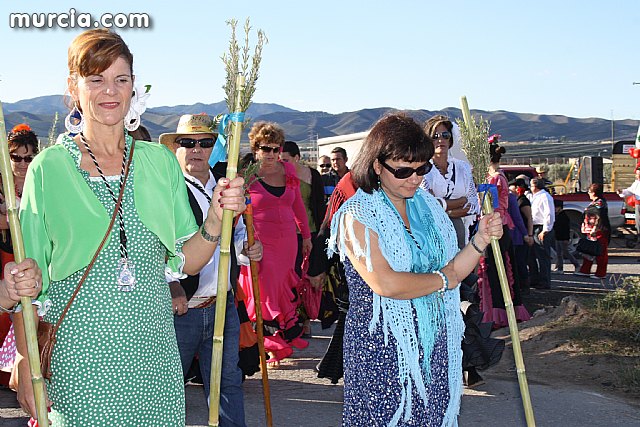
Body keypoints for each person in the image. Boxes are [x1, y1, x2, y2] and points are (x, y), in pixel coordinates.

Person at [14, 29, 247, 425]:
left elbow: (187, 262)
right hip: (81, 359)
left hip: (154, 355)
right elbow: (29, 283)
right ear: (73, 87)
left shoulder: (159, 161)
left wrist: (214, 218)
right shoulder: (48, 169)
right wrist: (26, 361)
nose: (110, 91)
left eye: (120, 79)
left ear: (133, 86)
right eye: (96, 79)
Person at [328, 113, 503, 425]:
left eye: (422, 168)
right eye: (403, 170)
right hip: (384, 350)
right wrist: (443, 279)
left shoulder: (429, 206)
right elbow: (386, 284)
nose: (414, 178)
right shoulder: (358, 215)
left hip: (434, 343)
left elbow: (453, 270)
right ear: (377, 166)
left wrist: (481, 239)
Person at [159, 113, 263, 426]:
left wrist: (248, 249)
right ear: (176, 147)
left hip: (222, 303)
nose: (196, 149)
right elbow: (155, 244)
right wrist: (171, 284)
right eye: (187, 142)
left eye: (205, 142)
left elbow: (238, 236)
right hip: (182, 310)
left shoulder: (227, 187)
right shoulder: (166, 189)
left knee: (227, 382)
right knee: (167, 387)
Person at [238, 121, 311, 368]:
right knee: (265, 293)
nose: (271, 154)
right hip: (260, 244)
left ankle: (277, 339)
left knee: (281, 291)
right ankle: (270, 345)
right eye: (265, 148)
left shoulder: (288, 170)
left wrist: (306, 236)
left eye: (275, 149)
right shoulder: (246, 175)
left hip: (288, 242)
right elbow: (236, 213)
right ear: (255, 149)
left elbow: (297, 204)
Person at [0, 124, 40, 386]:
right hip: (5, 256)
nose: (23, 163)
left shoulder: (41, 184)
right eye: (16, 157)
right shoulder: (1, 184)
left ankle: (16, 374)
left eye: (29, 158)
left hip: (34, 257)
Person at [478, 138, 529, 327]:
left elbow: (494, 205)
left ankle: (499, 313)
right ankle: (495, 311)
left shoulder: (496, 179)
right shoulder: (495, 177)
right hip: (495, 225)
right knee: (493, 270)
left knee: (496, 270)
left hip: (497, 226)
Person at [280, 140, 327, 335]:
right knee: (291, 278)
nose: (282, 163)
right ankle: (291, 320)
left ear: (297, 158)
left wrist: (322, 233)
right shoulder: (279, 176)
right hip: (287, 234)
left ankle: (306, 320)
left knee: (308, 279)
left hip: (311, 232)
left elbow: (319, 206)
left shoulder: (312, 175)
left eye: (286, 160)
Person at [420, 115, 480, 248]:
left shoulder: (463, 168)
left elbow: (473, 205)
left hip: (459, 232)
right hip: (433, 233)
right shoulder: (422, 170)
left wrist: (443, 209)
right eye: (435, 136)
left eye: (445, 135)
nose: (440, 140)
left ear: (450, 139)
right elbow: (428, 206)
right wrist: (461, 201)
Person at [576, 183, 610, 279]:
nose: (588, 193)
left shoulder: (600, 203)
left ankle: (601, 273)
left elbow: (599, 217)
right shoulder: (594, 202)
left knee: (600, 252)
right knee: (588, 250)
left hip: (599, 231)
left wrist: (595, 228)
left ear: (594, 193)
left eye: (589, 192)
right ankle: (585, 270)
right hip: (590, 230)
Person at [529, 177, 556, 289]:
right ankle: (536, 279)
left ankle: (545, 281)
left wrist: (545, 230)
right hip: (534, 226)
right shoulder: (534, 196)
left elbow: (548, 214)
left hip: (541, 228)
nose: (530, 187)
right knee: (535, 255)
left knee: (543, 256)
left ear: (536, 186)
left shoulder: (545, 196)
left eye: (531, 185)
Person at [510, 178, 534, 294]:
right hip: (518, 234)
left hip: (521, 235)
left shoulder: (522, 201)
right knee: (518, 262)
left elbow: (529, 218)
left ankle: (525, 286)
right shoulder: (516, 199)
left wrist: (529, 234)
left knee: (521, 262)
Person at [553, 199, 581, 272]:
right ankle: (559, 267)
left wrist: (566, 239)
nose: (555, 209)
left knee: (566, 252)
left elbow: (566, 229)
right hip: (558, 236)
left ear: (560, 208)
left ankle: (576, 265)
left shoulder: (564, 217)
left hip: (563, 238)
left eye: (556, 207)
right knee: (559, 253)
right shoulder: (556, 215)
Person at [618, 165, 640, 243]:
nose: (637, 176)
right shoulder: (636, 183)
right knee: (638, 222)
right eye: (637, 174)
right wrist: (622, 192)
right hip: (638, 204)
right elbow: (630, 191)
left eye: (638, 174)